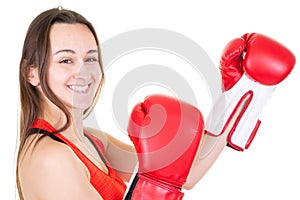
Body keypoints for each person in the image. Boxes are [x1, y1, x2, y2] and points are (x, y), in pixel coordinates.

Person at [16, 7, 295, 200]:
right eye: (66, 60)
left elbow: (182, 174)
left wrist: (241, 92)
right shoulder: (50, 157)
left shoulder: (92, 141)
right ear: (32, 73)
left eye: (90, 58)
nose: (84, 72)